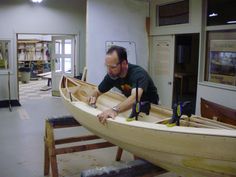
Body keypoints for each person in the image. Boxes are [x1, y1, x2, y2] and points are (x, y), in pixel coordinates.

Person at [88, 45, 159, 124]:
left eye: (113, 67)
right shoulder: (112, 76)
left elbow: (134, 98)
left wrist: (114, 110)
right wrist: (93, 98)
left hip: (152, 110)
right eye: (107, 66)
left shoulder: (138, 74)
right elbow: (97, 91)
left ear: (124, 63)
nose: (109, 71)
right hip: (132, 107)